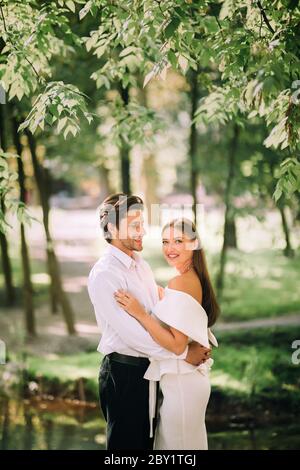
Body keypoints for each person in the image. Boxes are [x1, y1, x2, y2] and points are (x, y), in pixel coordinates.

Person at [87, 194, 211, 450]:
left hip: (152, 371)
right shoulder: (105, 274)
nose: (142, 231)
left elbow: (160, 316)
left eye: (142, 223)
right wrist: (184, 354)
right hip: (124, 373)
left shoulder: (141, 266)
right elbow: (134, 336)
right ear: (112, 227)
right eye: (134, 224)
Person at [115, 217, 220, 450]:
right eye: (165, 241)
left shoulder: (182, 282)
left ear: (194, 244)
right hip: (186, 383)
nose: (170, 248)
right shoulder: (192, 279)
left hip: (183, 385)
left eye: (178, 241)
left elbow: (177, 346)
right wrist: (165, 303)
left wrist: (141, 314)